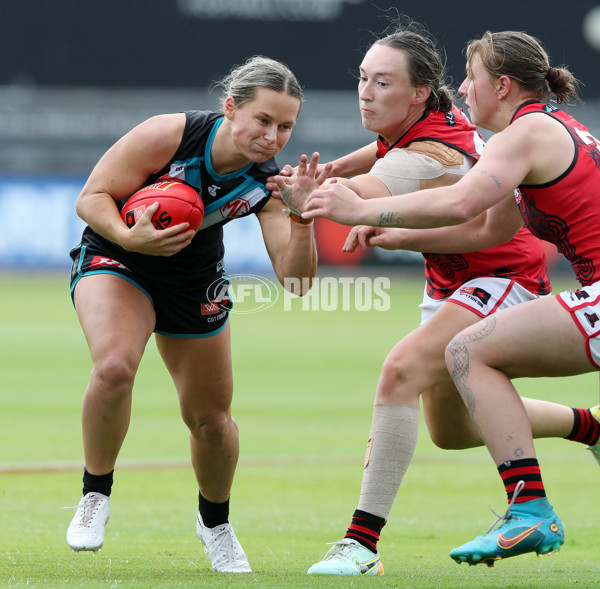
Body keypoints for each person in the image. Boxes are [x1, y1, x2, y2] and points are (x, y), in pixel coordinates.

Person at [275, 23, 600, 576]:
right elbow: (488, 229)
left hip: (506, 283)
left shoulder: (517, 133)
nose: (463, 90)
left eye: (471, 79)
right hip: (486, 281)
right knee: (450, 431)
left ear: (501, 85)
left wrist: (352, 209)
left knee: (446, 357)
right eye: (363, 79)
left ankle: (369, 541)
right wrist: (396, 233)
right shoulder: (522, 133)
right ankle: (588, 428)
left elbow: (459, 201)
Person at [65, 55, 317, 573]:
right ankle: (95, 495)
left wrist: (302, 215)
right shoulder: (169, 135)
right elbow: (91, 198)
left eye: (286, 126)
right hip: (120, 256)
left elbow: (296, 282)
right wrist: (129, 236)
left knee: (211, 420)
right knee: (114, 367)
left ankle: (216, 523)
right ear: (230, 108)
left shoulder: (268, 185)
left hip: (194, 280)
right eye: (263, 120)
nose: (273, 136)